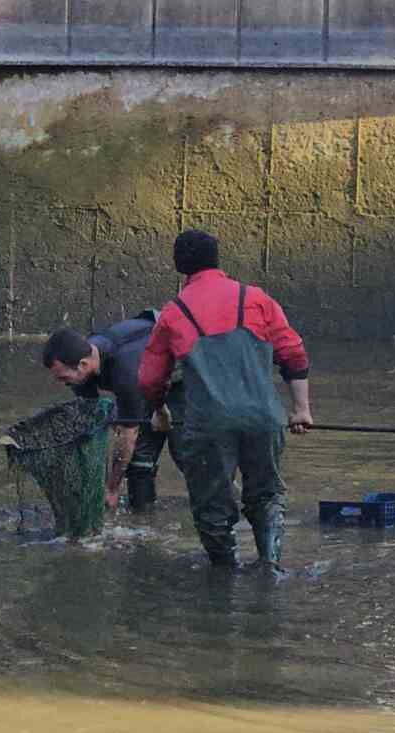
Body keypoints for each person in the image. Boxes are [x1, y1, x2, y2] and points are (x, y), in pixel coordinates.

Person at [138, 230, 314, 569]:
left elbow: (149, 380)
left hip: (209, 425)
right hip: (265, 418)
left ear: (179, 265)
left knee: (212, 506)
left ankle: (223, 580)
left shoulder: (174, 313)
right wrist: (301, 410)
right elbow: (293, 354)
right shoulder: (256, 298)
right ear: (218, 258)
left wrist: (160, 412)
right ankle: (270, 567)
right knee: (267, 496)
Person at [42, 312, 184, 513]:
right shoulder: (83, 361)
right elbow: (88, 418)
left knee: (186, 453)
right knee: (138, 462)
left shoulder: (125, 373)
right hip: (144, 373)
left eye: (64, 377)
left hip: (181, 375)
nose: (63, 383)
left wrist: (111, 488)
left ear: (83, 364)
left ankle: (222, 517)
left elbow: (128, 434)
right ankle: (143, 521)